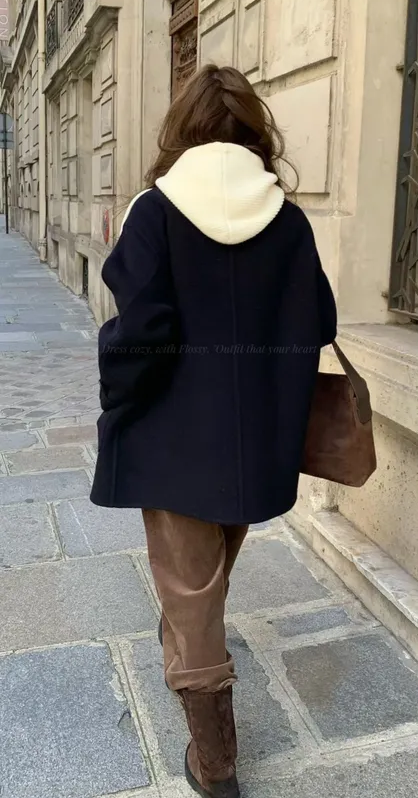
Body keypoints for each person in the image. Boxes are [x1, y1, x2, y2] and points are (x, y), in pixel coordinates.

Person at [90, 64, 337, 798]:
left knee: (192, 588)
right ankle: (185, 651)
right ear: (253, 131)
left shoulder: (154, 211)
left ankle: (216, 760)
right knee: (202, 578)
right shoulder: (287, 219)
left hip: (173, 437)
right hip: (258, 443)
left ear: (183, 130)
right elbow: (320, 320)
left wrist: (116, 395)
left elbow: (140, 330)